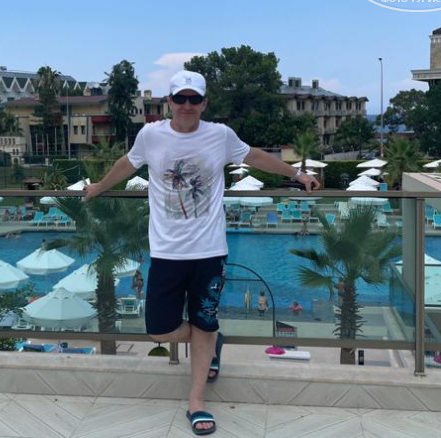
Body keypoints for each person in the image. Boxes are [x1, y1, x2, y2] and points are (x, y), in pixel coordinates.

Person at [84, 70, 319, 435]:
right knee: (159, 329)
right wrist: (99, 186)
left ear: (204, 103)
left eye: (194, 99)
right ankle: (209, 341)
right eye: (180, 98)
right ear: (169, 102)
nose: (187, 105)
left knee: (204, 322)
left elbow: (255, 156)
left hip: (209, 251)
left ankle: (196, 400)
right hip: (166, 251)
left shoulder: (220, 135)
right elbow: (128, 163)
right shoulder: (151, 135)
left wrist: (298, 175)